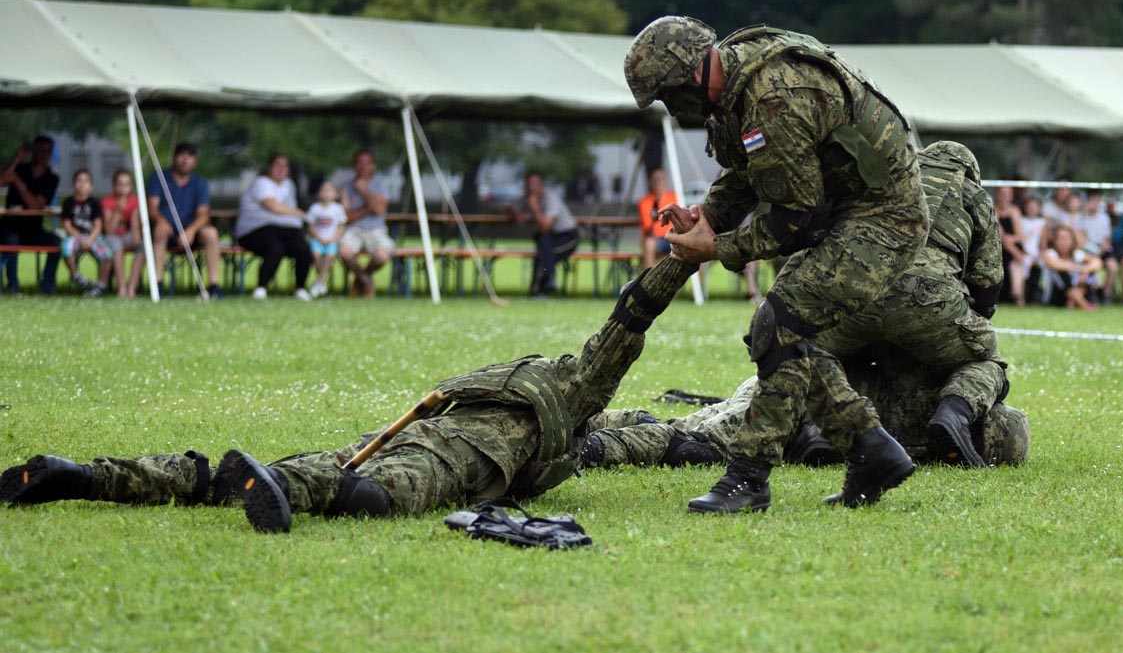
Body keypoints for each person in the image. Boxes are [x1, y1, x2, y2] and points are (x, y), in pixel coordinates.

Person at [0, 256, 699, 534]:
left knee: (241, 476)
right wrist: (676, 261)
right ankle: (277, 484)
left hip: (421, 433)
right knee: (369, 494)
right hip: (458, 458)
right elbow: (625, 329)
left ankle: (89, 475)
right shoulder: (572, 394)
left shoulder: (546, 398)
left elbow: (637, 425)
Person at [624, 16, 928, 513]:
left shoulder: (774, 97)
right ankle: (871, 449)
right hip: (847, 209)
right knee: (786, 332)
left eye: (666, 95)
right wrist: (706, 215)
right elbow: (744, 174)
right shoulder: (733, 93)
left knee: (778, 323)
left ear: (689, 76)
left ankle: (748, 478)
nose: (671, 109)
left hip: (886, 216)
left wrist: (716, 249)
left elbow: (795, 218)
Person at [582, 345, 1029, 471]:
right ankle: (593, 447)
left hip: (792, 385)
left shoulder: (942, 379)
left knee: (694, 429)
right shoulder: (936, 391)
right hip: (798, 393)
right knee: (700, 445)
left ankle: (597, 424)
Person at [145, 142, 223, 297]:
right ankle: (158, 284)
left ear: (195, 161)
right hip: (166, 230)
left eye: (190, 156)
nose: (185, 159)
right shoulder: (159, 177)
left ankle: (214, 285)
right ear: (174, 157)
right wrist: (161, 220)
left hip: (190, 231)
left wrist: (191, 231)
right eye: (182, 155)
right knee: (159, 231)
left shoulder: (200, 183)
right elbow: (152, 207)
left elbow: (203, 214)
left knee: (211, 233)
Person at [234, 153, 313, 301]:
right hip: (255, 230)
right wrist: (299, 213)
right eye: (277, 165)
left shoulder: (289, 185)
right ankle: (261, 288)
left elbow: (288, 210)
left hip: (284, 229)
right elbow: (272, 206)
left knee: (302, 247)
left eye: (285, 166)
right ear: (269, 167)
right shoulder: (261, 183)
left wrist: (298, 217)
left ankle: (300, 288)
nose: (281, 169)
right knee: (275, 247)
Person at [0, 136, 61, 294]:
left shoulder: (51, 178)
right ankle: (12, 285)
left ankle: (47, 284)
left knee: (56, 242)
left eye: (48, 151)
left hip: (34, 229)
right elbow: (1, 180)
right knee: (11, 241)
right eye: (40, 150)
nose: (44, 154)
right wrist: (18, 158)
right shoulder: (20, 169)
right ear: (33, 151)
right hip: (9, 227)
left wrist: (18, 183)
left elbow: (36, 205)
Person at [507, 170, 579, 297]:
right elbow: (509, 209)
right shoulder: (526, 198)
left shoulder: (551, 199)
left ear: (542, 186)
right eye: (528, 185)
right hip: (548, 239)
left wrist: (534, 207)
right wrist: (517, 215)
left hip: (567, 237)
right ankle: (544, 285)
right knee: (543, 245)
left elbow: (545, 226)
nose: (531, 188)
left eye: (535, 184)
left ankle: (543, 285)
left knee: (544, 251)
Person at [335, 149, 393, 299]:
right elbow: (346, 217)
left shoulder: (380, 183)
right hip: (353, 230)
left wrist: (363, 190)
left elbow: (380, 209)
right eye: (359, 163)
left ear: (373, 166)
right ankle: (366, 280)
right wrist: (367, 209)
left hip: (376, 230)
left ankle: (360, 278)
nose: (363, 166)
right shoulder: (346, 186)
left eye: (367, 163)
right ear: (353, 165)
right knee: (344, 252)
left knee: (381, 256)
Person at [59, 169, 113, 297]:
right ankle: (76, 276)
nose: (82, 184)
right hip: (75, 235)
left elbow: (98, 225)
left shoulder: (95, 203)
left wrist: (89, 240)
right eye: (79, 181)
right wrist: (81, 239)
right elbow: (67, 225)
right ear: (73, 184)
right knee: (66, 248)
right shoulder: (68, 203)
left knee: (107, 254)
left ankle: (100, 285)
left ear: (91, 186)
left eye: (86, 181)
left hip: (92, 236)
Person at [101, 168, 145, 298]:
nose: (123, 188)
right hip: (112, 236)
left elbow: (135, 224)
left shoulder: (134, 201)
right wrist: (118, 211)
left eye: (126, 184)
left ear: (131, 186)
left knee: (144, 247)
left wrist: (137, 236)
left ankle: (132, 286)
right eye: (120, 184)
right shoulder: (108, 201)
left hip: (127, 235)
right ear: (114, 185)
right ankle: (121, 287)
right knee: (116, 245)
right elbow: (109, 230)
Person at [1040, 224, 1102, 309]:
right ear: (1055, 241)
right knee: (1060, 272)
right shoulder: (1050, 253)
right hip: (1056, 295)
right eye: (1061, 238)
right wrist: (1077, 269)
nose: (1064, 242)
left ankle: (1074, 300)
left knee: (1090, 274)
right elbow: (1054, 264)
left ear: (1072, 241)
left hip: (1077, 289)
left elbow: (1097, 262)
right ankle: (1084, 304)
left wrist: (1084, 271)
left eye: (1067, 238)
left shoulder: (1076, 254)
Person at [304, 179, 347, 298]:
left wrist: (334, 238)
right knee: (316, 255)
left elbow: (341, 226)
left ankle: (319, 281)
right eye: (323, 190)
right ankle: (321, 281)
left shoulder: (338, 209)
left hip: (332, 240)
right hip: (317, 240)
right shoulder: (314, 208)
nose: (326, 193)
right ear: (318, 193)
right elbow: (310, 225)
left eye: (329, 190)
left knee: (330, 256)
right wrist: (319, 237)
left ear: (335, 194)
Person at [637, 167, 677, 270]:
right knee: (649, 243)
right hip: (657, 240)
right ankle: (649, 282)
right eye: (656, 179)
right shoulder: (645, 202)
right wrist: (654, 218)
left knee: (697, 245)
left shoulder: (674, 198)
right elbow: (648, 229)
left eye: (661, 179)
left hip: (674, 238)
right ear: (651, 182)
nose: (659, 182)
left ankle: (699, 285)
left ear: (666, 181)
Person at [994, 185, 1027, 305]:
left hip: (1013, 247)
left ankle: (1018, 296)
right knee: (1016, 260)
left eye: (1008, 194)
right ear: (997, 194)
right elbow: (1001, 237)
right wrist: (1016, 252)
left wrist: (1011, 240)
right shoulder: (992, 210)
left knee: (1016, 264)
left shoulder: (1014, 211)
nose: (1005, 197)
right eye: (1002, 193)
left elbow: (1020, 235)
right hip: (998, 248)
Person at [1020, 195, 1047, 304]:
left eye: (1034, 207)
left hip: (1037, 253)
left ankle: (1042, 295)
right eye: (1030, 207)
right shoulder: (1021, 221)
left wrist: (1040, 254)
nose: (1032, 210)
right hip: (1025, 252)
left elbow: (1043, 243)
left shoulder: (1042, 222)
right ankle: (1022, 296)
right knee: (1024, 265)